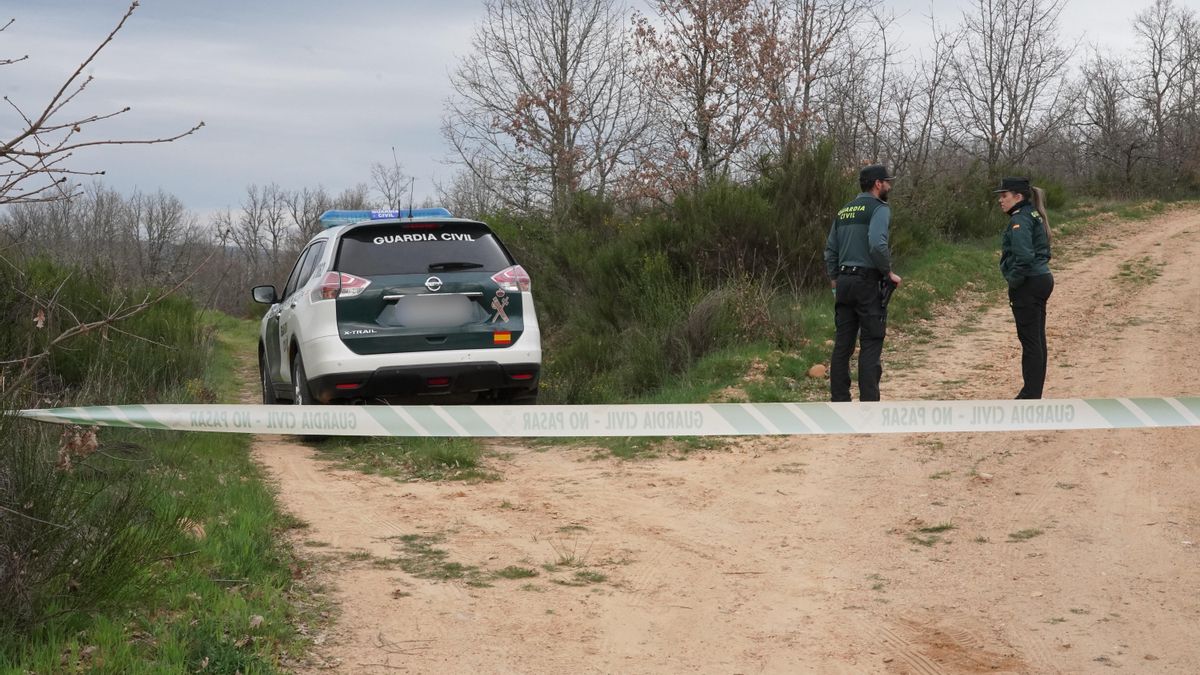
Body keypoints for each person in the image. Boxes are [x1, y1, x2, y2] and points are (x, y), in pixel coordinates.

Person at [824, 164, 903, 402]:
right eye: (887, 182)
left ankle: (840, 401)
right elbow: (877, 244)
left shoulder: (844, 211)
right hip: (867, 282)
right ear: (878, 184)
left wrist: (836, 280)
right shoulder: (879, 208)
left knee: (843, 344)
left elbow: (830, 250)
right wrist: (887, 272)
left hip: (844, 282)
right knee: (871, 342)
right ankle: (869, 404)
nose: (889, 186)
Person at [994, 176, 1054, 399]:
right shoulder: (1033, 214)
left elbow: (1024, 256)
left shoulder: (1020, 219)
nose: (1001, 201)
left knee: (1030, 341)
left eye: (1004, 196)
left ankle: (1030, 394)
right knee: (1037, 339)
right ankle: (1033, 392)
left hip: (1029, 283)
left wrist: (1013, 280)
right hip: (1041, 279)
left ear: (1018, 197)